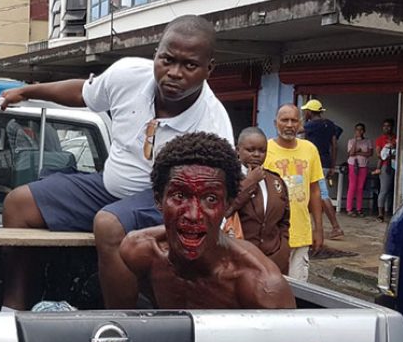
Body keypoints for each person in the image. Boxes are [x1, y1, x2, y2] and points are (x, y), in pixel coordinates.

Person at [0, 14, 233, 310]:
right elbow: (83, 93)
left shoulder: (213, 124)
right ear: (155, 55)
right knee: (18, 204)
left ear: (208, 69)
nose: (174, 73)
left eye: (189, 65)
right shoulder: (128, 75)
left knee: (109, 224)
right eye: (167, 60)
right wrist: (28, 91)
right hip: (109, 189)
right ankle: (13, 308)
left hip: (166, 201)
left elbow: (216, 196)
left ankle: (120, 325)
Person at [119, 132, 295, 309]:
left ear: (228, 205)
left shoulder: (261, 286)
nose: (193, 215)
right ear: (158, 200)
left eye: (210, 198)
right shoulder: (139, 252)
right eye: (180, 196)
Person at [264, 104, 324, 282]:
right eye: (284, 120)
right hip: (272, 237)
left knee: (298, 293)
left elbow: (314, 191)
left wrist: (318, 229)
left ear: (300, 124)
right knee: (272, 290)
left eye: (294, 120)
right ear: (276, 123)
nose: (289, 125)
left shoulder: (310, 149)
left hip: (301, 235)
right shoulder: (264, 150)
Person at [223, 127, 290, 274]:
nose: (257, 155)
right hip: (239, 260)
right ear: (237, 150)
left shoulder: (275, 181)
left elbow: (284, 221)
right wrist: (249, 182)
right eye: (250, 149)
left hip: (274, 261)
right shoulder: (228, 180)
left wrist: (284, 249)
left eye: (262, 150)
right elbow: (225, 211)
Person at [300, 99, 344, 239]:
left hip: (313, 164)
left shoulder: (311, 125)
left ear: (309, 112)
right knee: (313, 194)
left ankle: (336, 227)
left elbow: (295, 130)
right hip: (325, 162)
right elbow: (334, 145)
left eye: (305, 111)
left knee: (322, 194)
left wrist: (301, 120)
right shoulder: (330, 124)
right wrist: (332, 164)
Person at [346, 122, 373, 217]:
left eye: (361, 129)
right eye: (357, 129)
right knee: (352, 186)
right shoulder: (351, 141)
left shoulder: (368, 141)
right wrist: (356, 142)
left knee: (360, 187)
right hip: (353, 164)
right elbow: (351, 153)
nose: (359, 131)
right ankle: (349, 209)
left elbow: (369, 153)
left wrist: (359, 153)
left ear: (364, 131)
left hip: (363, 165)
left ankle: (359, 208)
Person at [373, 118, 398, 222]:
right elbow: (379, 154)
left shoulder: (397, 138)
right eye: (384, 126)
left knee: (395, 190)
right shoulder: (380, 139)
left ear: (392, 127)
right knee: (384, 189)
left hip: (397, 164)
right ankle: (380, 213)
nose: (386, 128)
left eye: (388, 126)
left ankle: (393, 211)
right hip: (385, 165)